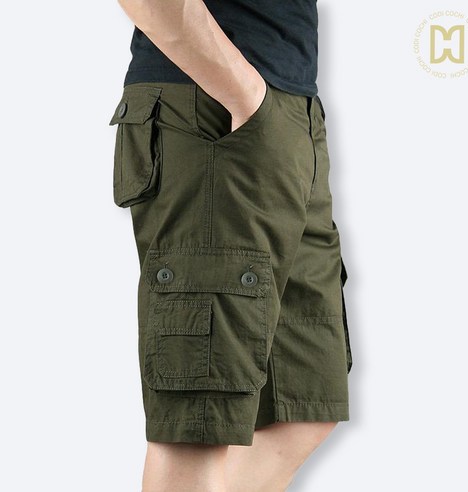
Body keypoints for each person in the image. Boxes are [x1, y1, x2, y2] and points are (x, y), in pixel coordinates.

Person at [110, 1, 353, 490]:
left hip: (288, 109)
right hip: (214, 113)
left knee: (301, 402)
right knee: (200, 417)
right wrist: (244, 97)